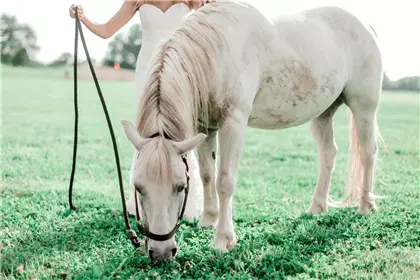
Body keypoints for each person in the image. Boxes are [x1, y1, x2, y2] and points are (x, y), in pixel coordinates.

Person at [69, 0, 214, 219]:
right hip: (147, 69)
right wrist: (83, 18)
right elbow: (107, 31)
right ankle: (142, 197)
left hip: (181, 69)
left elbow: (211, 21)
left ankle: (187, 199)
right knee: (147, 130)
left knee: (181, 128)